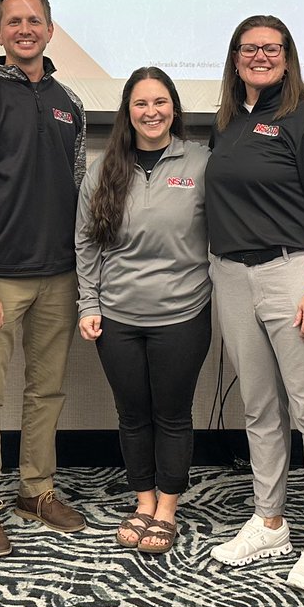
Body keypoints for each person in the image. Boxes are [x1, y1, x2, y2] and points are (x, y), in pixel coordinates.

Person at [205, 14, 304, 593]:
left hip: (295, 273)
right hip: (233, 275)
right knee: (260, 408)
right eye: (249, 48)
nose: (260, 56)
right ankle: (270, 522)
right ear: (234, 56)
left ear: (288, 56)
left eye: (272, 48)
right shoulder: (229, 122)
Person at [0, 0, 88, 558]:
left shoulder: (70, 103)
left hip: (59, 275)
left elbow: (79, 189)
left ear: (50, 30)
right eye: (13, 21)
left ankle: (37, 489)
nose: (24, 29)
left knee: (46, 390)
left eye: (34, 20)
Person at [74, 67, 212, 554]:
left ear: (174, 107)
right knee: (132, 415)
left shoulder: (201, 163)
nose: (151, 112)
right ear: (127, 112)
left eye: (160, 102)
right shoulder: (104, 169)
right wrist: (88, 304)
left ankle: (168, 508)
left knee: (172, 415)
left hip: (183, 315)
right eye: (140, 104)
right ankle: (144, 500)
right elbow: (86, 244)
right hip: (117, 319)